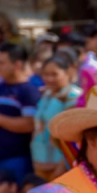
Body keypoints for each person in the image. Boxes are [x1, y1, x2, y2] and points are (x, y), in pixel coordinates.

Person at [0, 43, 41, 184]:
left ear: (17, 65)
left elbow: (30, 124)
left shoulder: (28, 91)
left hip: (15, 160)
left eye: (2, 63)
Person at [32, 53, 82, 181]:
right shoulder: (47, 93)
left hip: (60, 163)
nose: (49, 78)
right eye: (46, 74)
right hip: (40, 158)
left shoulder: (73, 96)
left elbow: (72, 134)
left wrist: (62, 165)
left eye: (54, 74)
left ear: (67, 73)